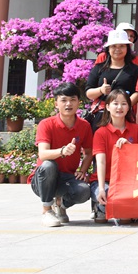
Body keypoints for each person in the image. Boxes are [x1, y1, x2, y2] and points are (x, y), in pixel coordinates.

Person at [30, 83, 94, 228]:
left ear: (79, 102)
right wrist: (62, 151)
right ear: (56, 103)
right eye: (63, 100)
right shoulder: (46, 124)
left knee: (84, 191)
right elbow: (43, 154)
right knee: (49, 165)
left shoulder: (84, 126)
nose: (68, 104)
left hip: (67, 178)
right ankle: (47, 210)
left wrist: (83, 170)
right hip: (43, 180)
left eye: (72, 100)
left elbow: (89, 153)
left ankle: (60, 205)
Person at [92, 89, 138, 223]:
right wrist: (101, 188)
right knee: (109, 200)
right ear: (107, 107)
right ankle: (99, 206)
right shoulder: (101, 133)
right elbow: (100, 162)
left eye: (124, 104)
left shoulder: (137, 130)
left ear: (129, 107)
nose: (119, 107)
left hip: (128, 181)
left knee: (125, 219)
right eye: (115, 103)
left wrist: (129, 148)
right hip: (106, 181)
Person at [85, 29, 138, 128]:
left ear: (127, 48)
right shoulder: (99, 68)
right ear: (108, 49)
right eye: (114, 46)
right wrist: (101, 90)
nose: (117, 49)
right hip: (102, 115)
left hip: (125, 115)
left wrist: (123, 106)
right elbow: (88, 93)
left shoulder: (135, 69)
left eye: (122, 46)